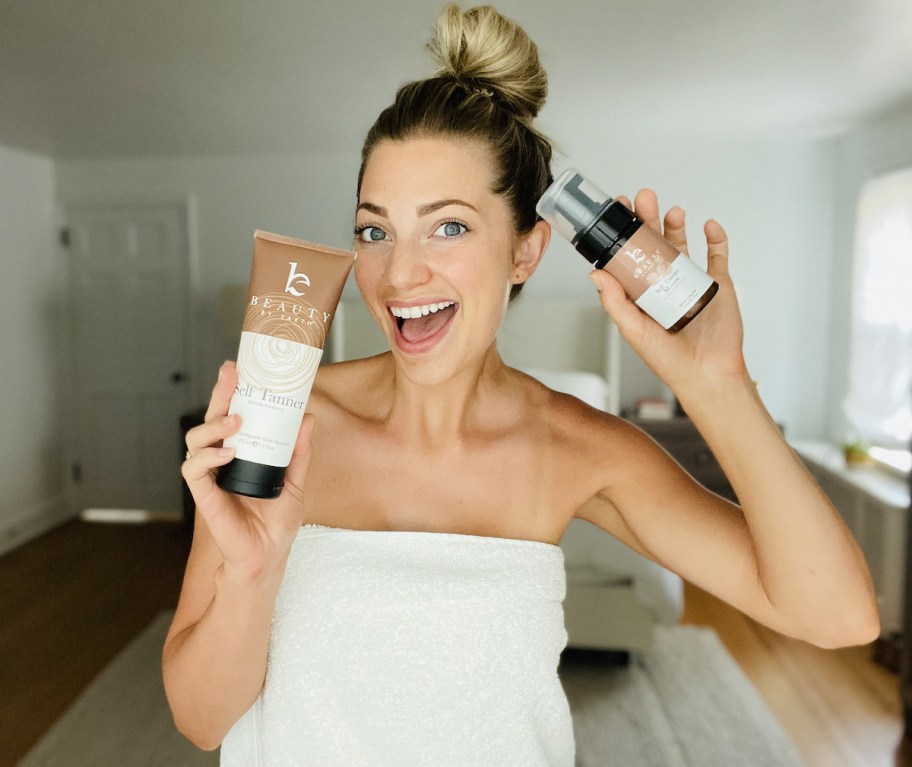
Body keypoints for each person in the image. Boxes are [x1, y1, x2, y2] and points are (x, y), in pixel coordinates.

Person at [163, 4, 880, 765]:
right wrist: (252, 574)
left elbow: (836, 614)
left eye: (449, 226)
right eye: (375, 229)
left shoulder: (578, 447)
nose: (399, 273)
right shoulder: (276, 426)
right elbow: (204, 721)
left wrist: (719, 382)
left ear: (526, 252)